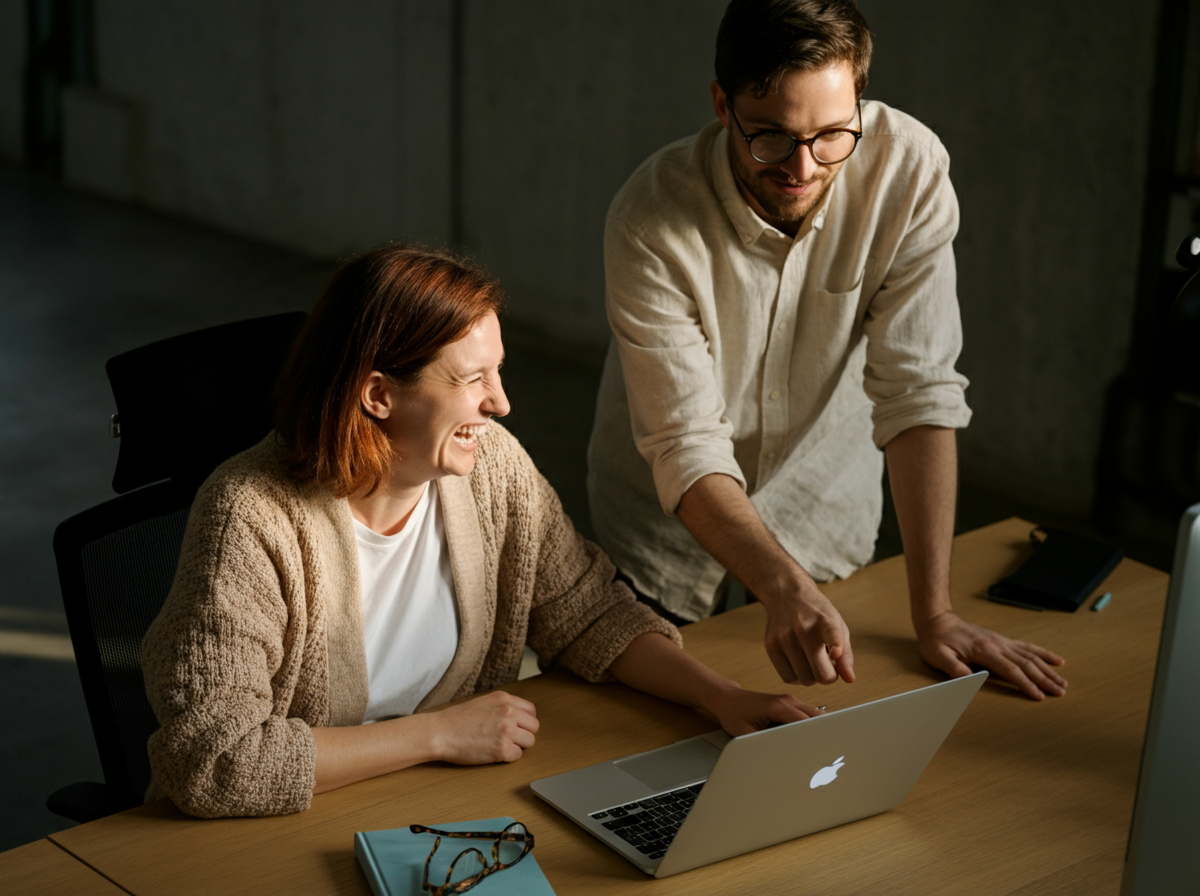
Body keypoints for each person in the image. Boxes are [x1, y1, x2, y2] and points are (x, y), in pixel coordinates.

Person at [141, 243, 825, 819]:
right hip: (274, 834)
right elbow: (214, 760)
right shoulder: (249, 516)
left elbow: (589, 613)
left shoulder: (491, 468)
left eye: (498, 371)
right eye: (473, 380)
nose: (500, 402)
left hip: (440, 810)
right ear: (378, 394)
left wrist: (722, 697)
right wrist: (437, 735)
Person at [587, 0, 1067, 701]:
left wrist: (935, 614)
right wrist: (781, 586)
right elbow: (686, 444)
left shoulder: (908, 174)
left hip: (822, 511)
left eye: (833, 136)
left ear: (859, 101)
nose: (802, 168)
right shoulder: (649, 219)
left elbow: (918, 392)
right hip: (662, 531)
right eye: (771, 138)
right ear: (722, 104)